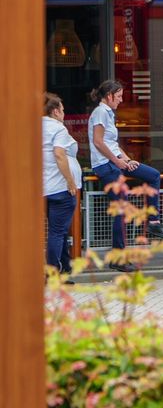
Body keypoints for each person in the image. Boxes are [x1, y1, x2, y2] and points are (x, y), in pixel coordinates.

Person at [88, 79, 163, 272]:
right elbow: (98, 142)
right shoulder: (101, 112)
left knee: (153, 175)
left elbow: (112, 143)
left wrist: (126, 160)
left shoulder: (108, 113)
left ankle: (154, 223)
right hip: (106, 165)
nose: (120, 100)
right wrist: (119, 162)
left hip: (114, 162)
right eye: (118, 96)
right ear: (109, 96)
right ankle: (118, 258)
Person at [43, 93, 81, 281]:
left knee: (60, 230)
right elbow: (59, 154)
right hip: (59, 187)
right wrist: (70, 181)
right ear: (56, 111)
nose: (64, 114)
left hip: (43, 188)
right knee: (57, 232)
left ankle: (65, 267)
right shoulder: (58, 129)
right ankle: (52, 273)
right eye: (63, 110)